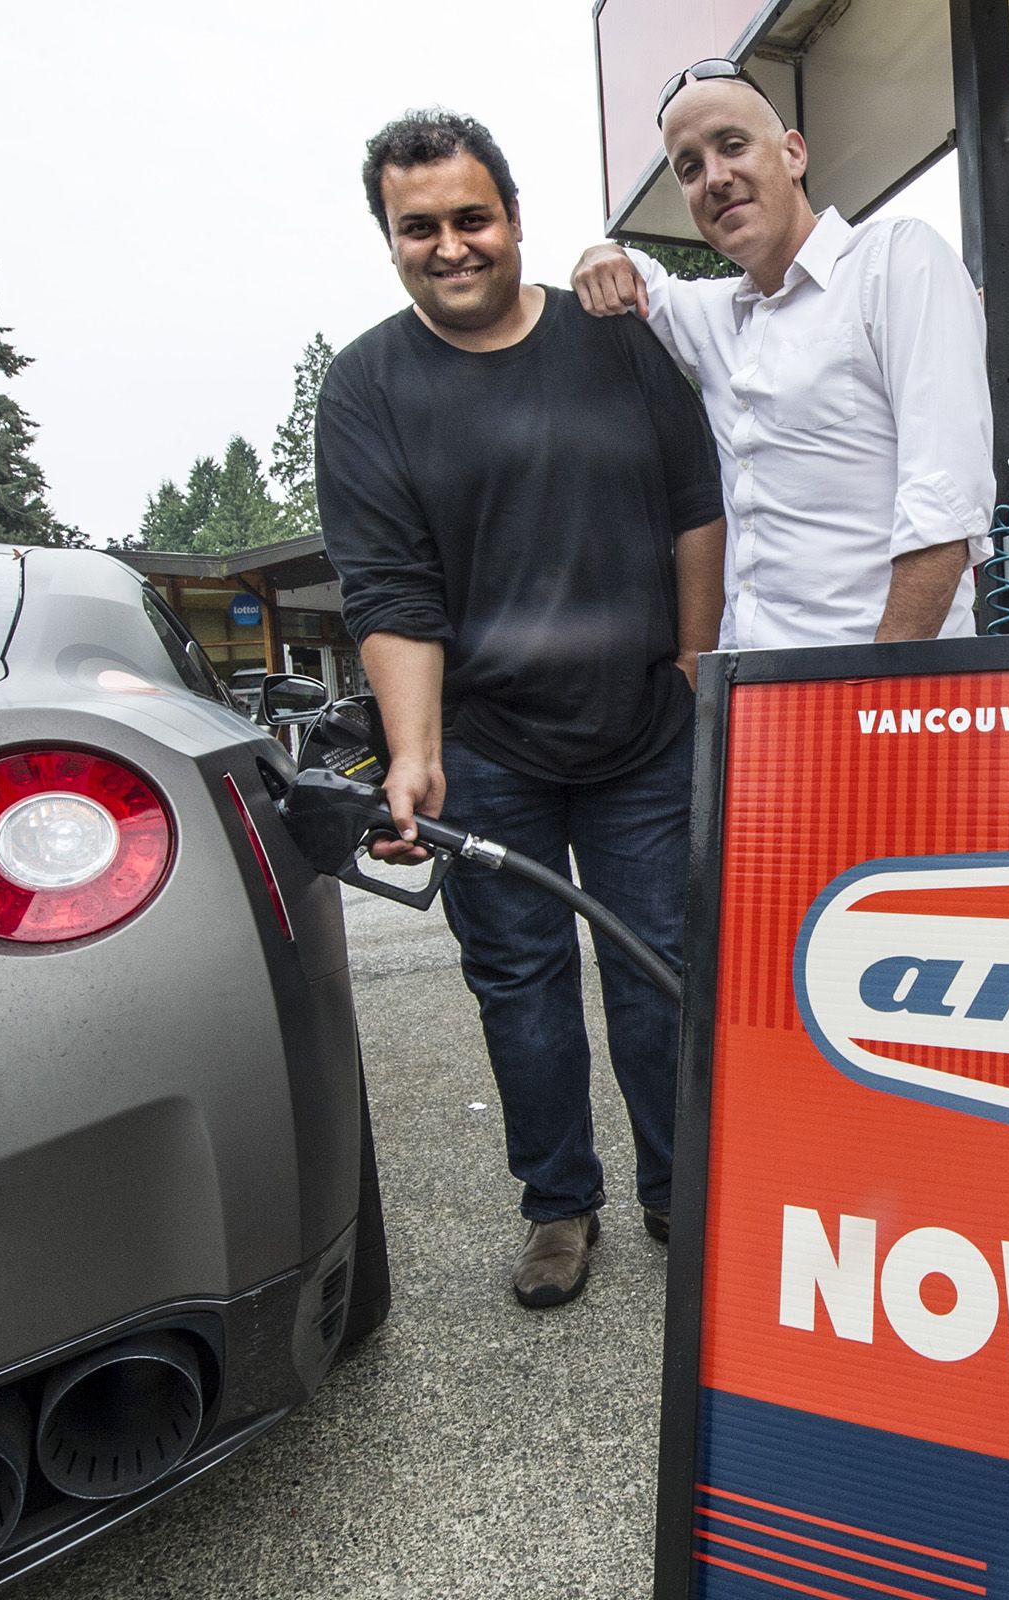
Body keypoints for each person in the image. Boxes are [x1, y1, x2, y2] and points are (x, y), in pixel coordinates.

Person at [316, 110, 726, 1308]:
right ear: (390, 239)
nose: (450, 245)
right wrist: (413, 754)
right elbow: (391, 591)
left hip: (644, 733)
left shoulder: (615, 340)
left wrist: (697, 665)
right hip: (490, 747)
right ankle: (559, 1206)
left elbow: (694, 507)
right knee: (520, 989)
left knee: (658, 970)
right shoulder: (367, 387)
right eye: (419, 227)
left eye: (470, 218)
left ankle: (675, 1184)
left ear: (512, 218)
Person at [571, 60, 994, 648]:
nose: (714, 178)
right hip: (757, 704)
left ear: (794, 153)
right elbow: (630, 277)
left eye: (733, 145)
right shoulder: (715, 315)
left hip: (884, 694)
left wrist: (876, 696)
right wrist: (600, 251)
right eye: (689, 168)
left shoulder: (895, 260)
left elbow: (944, 504)